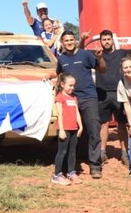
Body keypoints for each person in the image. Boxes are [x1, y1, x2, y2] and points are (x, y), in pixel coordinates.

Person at [81, 29, 131, 166]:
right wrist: (83, 39)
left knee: (121, 124)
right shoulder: (95, 54)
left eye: (108, 39)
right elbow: (79, 52)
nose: (106, 42)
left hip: (120, 93)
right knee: (103, 124)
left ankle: (125, 153)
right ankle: (102, 153)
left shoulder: (121, 53)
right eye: (103, 39)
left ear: (112, 40)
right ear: (100, 41)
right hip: (101, 94)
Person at [51, 30, 106, 179]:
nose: (69, 42)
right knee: (73, 132)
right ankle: (71, 166)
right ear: (62, 43)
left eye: (71, 39)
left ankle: (95, 165)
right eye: (66, 40)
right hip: (70, 100)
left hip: (89, 98)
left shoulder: (85, 54)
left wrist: (100, 58)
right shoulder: (61, 59)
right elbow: (59, 76)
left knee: (94, 129)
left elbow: (102, 68)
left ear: (75, 40)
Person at [51, 73, 84, 186]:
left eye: (73, 85)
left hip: (74, 128)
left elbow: (76, 112)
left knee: (72, 152)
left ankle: (71, 172)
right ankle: (57, 175)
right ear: (62, 84)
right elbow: (60, 114)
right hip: (64, 129)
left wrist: (80, 126)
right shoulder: (60, 97)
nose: (72, 88)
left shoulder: (74, 97)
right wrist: (61, 129)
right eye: (70, 85)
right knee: (62, 151)